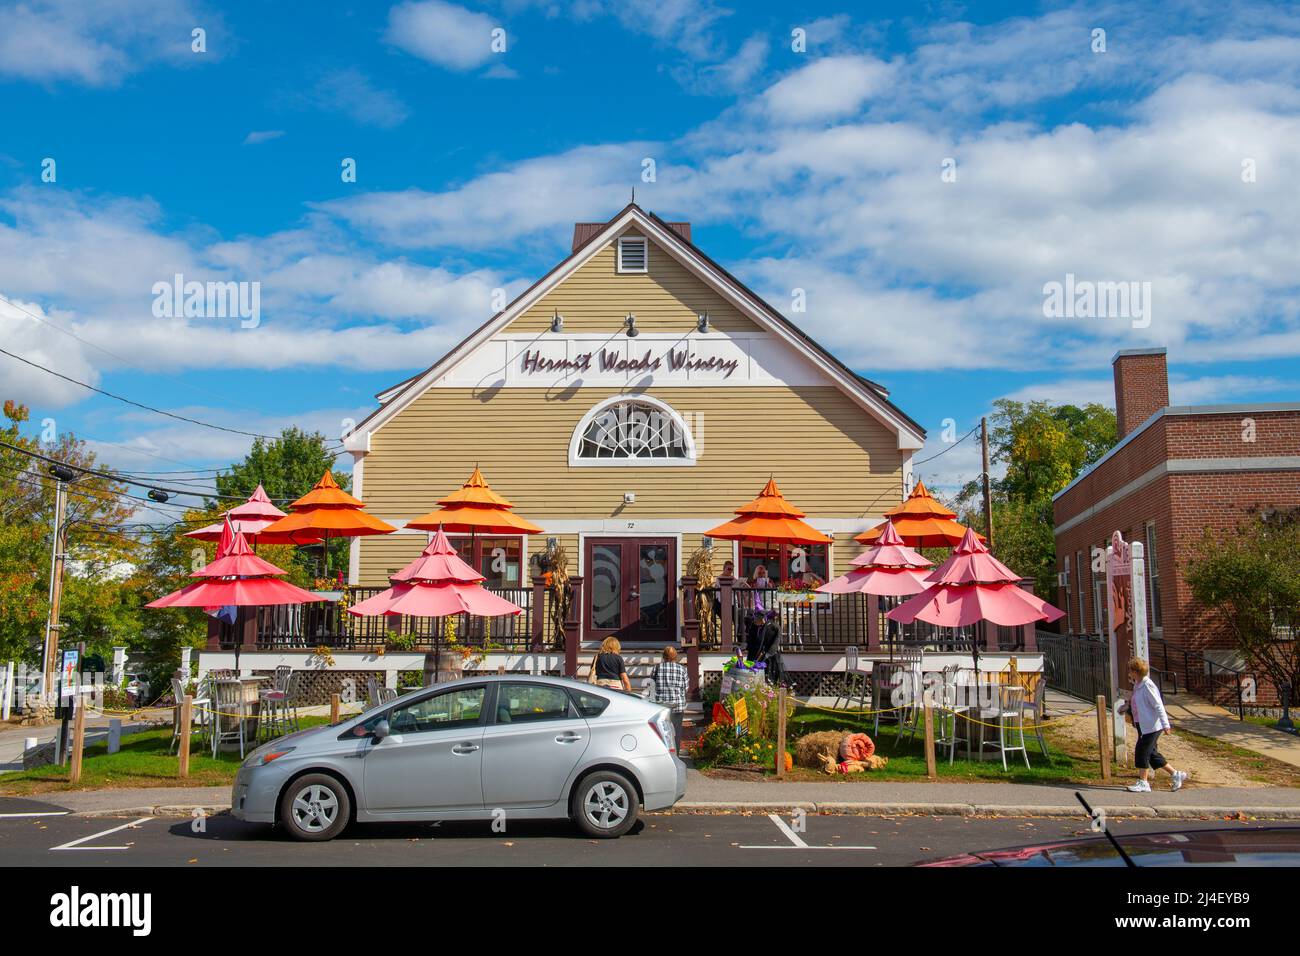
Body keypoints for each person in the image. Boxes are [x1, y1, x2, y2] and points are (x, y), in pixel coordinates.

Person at [1121, 657, 1188, 792]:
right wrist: (1125, 708)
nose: (1129, 673)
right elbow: (1136, 702)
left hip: (1152, 726)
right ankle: (1176, 774)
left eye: (1130, 671)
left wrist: (1166, 725)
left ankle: (1143, 782)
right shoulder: (1138, 684)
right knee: (1151, 754)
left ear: (1136, 672)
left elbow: (1159, 706)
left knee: (1142, 751)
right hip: (1142, 724)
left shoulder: (1148, 685)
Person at [650, 645, 689, 747]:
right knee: (677, 731)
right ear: (675, 656)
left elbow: (651, 688)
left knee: (661, 731)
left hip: (661, 707)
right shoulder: (682, 669)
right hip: (677, 705)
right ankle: (676, 755)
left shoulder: (657, 668)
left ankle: (664, 753)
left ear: (663, 656)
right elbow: (686, 688)